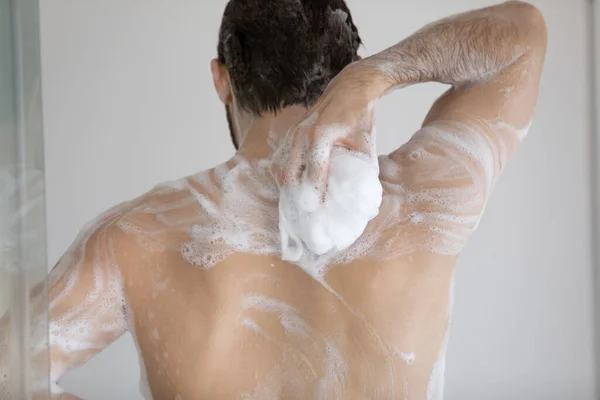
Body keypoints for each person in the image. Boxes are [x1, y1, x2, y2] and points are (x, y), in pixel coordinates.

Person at [1, 0, 547, 399]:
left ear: (222, 80)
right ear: (343, 69)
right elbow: (524, 34)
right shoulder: (425, 201)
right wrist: (380, 75)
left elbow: (8, 373)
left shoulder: (135, 240)